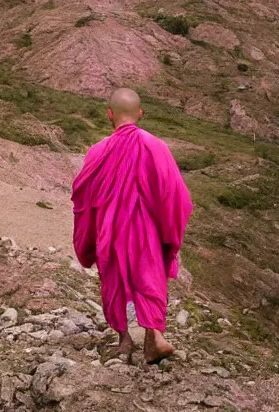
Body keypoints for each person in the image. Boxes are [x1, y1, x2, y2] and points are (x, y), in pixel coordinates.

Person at [71, 87, 193, 363]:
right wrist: (168, 232)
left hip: (110, 230)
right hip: (146, 231)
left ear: (110, 114)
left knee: (114, 280)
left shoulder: (97, 151)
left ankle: (124, 340)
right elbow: (177, 196)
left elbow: (84, 199)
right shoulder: (156, 146)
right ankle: (154, 336)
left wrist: (89, 237)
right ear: (140, 114)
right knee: (149, 279)